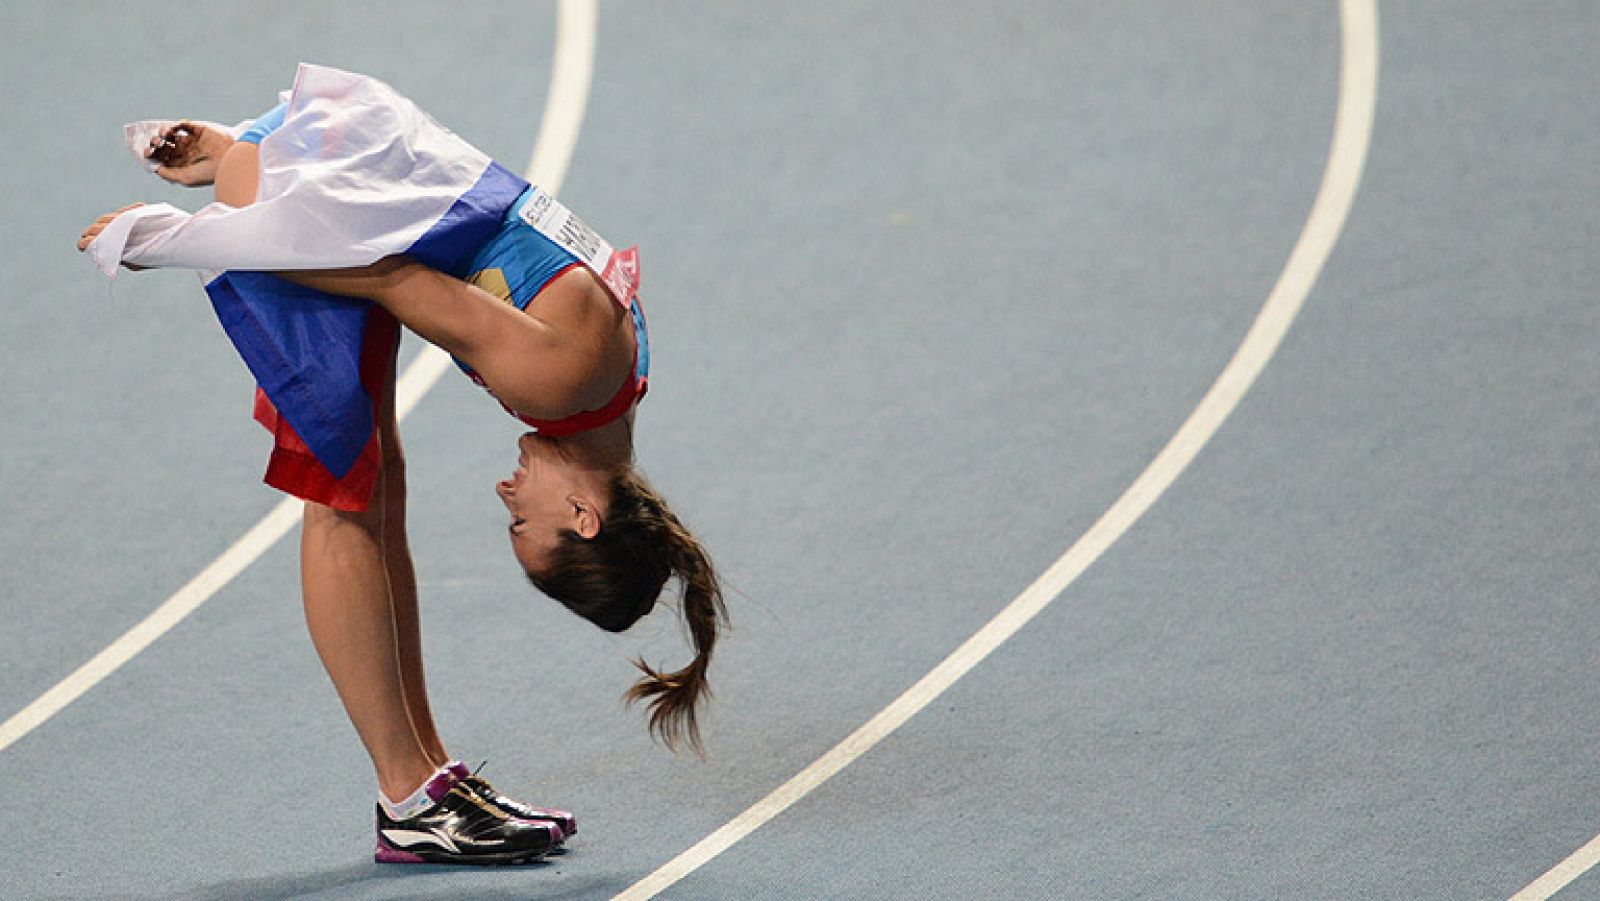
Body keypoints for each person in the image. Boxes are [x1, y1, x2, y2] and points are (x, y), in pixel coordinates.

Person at [77, 65, 726, 867]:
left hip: (369, 159)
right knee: (343, 494)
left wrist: (245, 149)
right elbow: (390, 275)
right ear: (586, 517)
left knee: (380, 478)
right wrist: (189, 235)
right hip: (349, 210)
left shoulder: (619, 381)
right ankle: (410, 797)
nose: (504, 492)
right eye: (524, 518)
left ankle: (429, 775)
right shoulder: (556, 379)